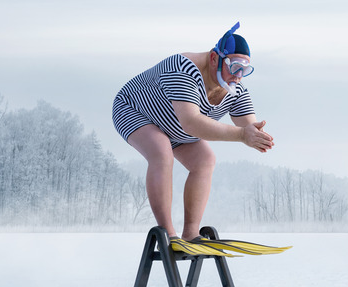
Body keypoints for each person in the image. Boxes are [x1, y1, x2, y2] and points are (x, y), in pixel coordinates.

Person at [112, 22, 273, 254]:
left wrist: (257, 136)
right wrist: (240, 135)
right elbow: (192, 123)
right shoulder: (183, 68)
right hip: (134, 109)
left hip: (175, 125)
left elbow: (250, 127)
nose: (238, 76)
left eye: (244, 70)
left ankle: (191, 233)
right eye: (235, 66)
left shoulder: (236, 88)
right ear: (215, 58)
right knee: (161, 151)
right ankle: (169, 234)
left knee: (205, 160)